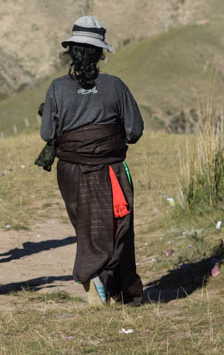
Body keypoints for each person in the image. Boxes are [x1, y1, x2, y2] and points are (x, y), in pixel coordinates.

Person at [39, 16, 144, 306]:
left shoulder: (57, 89)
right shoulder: (116, 86)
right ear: (99, 53)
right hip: (110, 169)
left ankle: (94, 276)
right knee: (116, 224)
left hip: (71, 173)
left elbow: (47, 133)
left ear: (72, 52)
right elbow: (134, 131)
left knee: (85, 224)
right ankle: (105, 279)